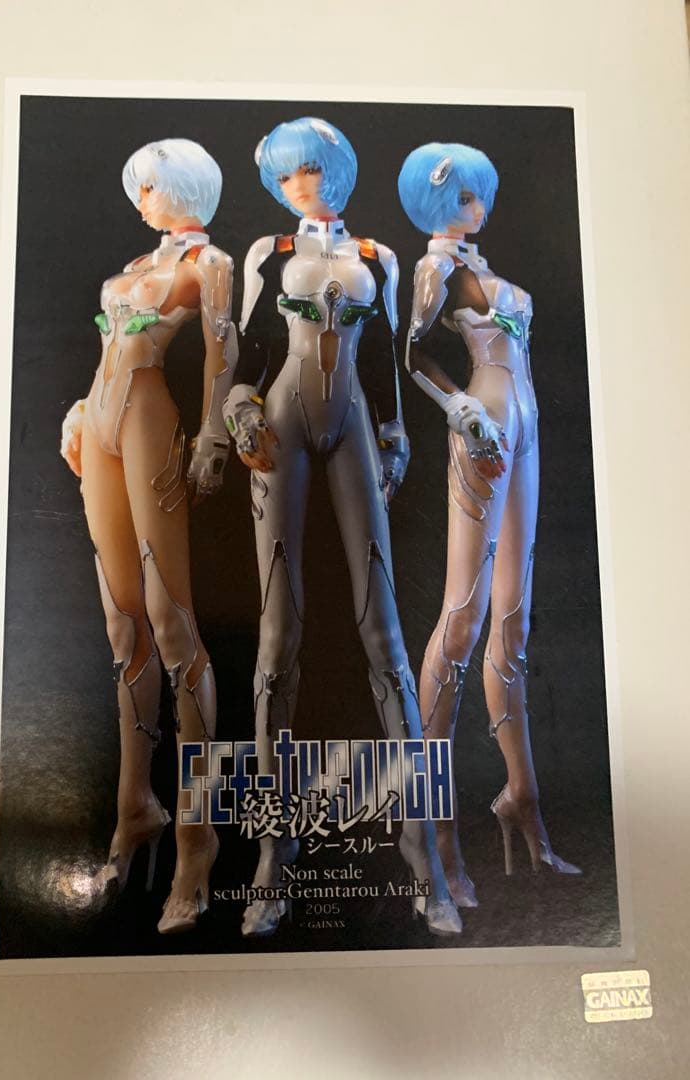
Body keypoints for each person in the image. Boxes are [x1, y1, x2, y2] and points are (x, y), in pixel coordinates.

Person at [223, 117, 460, 938]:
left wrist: (396, 437)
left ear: (338, 171)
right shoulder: (268, 253)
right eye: (288, 175)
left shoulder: (378, 257)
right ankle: (272, 857)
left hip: (356, 420)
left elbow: (387, 357)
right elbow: (251, 351)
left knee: (383, 630)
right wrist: (239, 410)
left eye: (313, 170)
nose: (302, 185)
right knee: (275, 634)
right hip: (281, 421)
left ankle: (423, 857)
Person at [60, 138, 236, 933]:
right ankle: (136, 807)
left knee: (172, 624)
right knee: (122, 623)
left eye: (152, 187)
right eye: (138, 189)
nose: (142, 201)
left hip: (149, 418)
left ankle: (198, 840)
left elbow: (223, 351)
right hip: (100, 420)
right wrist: (78, 408)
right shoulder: (139, 261)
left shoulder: (211, 263)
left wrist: (212, 437)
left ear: (187, 187)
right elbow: (110, 346)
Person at [398, 141, 580, 907]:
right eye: (465, 195)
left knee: (515, 620)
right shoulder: (434, 268)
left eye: (480, 193)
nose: (478, 205)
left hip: (526, 426)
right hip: (485, 427)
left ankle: (523, 800)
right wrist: (461, 409)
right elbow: (412, 355)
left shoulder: (477, 261)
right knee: (464, 616)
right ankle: (433, 824)